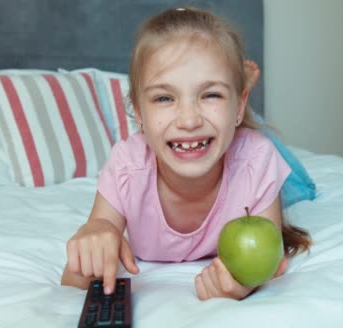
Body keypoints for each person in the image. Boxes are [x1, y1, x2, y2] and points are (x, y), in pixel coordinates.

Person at [61, 6, 312, 301]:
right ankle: (228, 97)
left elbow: (273, 259)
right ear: (138, 112)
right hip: (221, 139)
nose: (189, 120)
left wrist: (245, 284)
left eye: (210, 94)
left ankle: (239, 109)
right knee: (228, 136)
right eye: (164, 98)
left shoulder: (257, 159)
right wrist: (95, 233)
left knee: (298, 184)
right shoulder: (128, 165)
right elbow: (74, 276)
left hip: (243, 150)